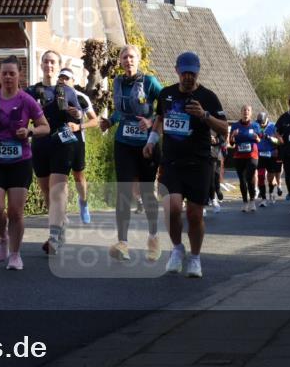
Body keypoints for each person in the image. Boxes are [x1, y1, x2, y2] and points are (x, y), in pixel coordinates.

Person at [146, 52, 228, 279]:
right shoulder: (166, 94)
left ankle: (194, 257)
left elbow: (224, 129)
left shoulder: (208, 97)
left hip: (199, 162)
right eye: (185, 73)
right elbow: (160, 120)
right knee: (172, 208)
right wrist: (151, 142)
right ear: (177, 71)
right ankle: (177, 248)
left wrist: (204, 115)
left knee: (194, 214)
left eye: (192, 73)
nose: (188, 77)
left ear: (198, 72)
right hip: (172, 161)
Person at [0, 56, 50, 270]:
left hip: (20, 162)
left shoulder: (27, 100)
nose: (8, 77)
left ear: (19, 75)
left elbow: (45, 126)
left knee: (16, 212)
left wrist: (30, 131)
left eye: (12, 73)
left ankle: (15, 255)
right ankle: (3, 237)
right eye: (4, 73)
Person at [99, 45, 163, 262]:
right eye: (124, 57)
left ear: (138, 59)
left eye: (132, 57)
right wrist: (110, 121)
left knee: (147, 193)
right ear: (120, 61)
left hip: (147, 144)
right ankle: (123, 243)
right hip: (123, 143)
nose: (128, 60)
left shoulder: (150, 82)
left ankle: (153, 239)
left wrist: (151, 121)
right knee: (123, 192)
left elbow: (167, 107)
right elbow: (121, 111)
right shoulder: (117, 82)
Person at [25, 51, 82, 255]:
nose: (49, 65)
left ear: (58, 66)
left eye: (53, 62)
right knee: (48, 193)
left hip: (62, 141)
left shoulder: (67, 91)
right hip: (40, 143)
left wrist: (77, 115)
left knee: (58, 189)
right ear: (41, 65)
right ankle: (61, 222)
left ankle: (54, 236)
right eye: (46, 61)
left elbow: (79, 116)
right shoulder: (31, 91)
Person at [57, 68, 98, 224]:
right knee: (61, 178)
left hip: (77, 141)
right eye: (61, 78)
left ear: (73, 81)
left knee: (78, 177)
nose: (63, 81)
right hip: (59, 141)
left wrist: (79, 126)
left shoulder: (81, 98)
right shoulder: (55, 96)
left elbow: (95, 120)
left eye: (67, 78)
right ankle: (62, 212)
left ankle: (83, 202)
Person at [229, 105, 261, 212]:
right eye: (244, 110)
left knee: (249, 177)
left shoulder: (255, 125)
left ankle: (252, 201)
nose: (246, 112)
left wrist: (257, 138)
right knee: (242, 180)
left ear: (251, 113)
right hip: (239, 155)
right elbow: (231, 143)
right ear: (241, 112)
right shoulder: (235, 126)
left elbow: (259, 140)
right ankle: (245, 202)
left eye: (248, 110)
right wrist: (233, 136)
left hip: (252, 155)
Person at [255, 111, 281, 206]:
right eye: (259, 122)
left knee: (270, 178)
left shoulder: (273, 126)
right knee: (261, 176)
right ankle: (263, 198)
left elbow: (279, 141)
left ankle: (270, 192)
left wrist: (269, 138)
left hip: (271, 154)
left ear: (266, 119)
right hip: (260, 154)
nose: (260, 124)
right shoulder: (255, 125)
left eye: (262, 122)